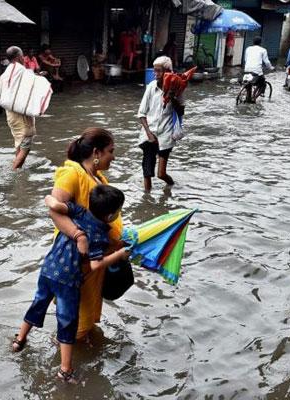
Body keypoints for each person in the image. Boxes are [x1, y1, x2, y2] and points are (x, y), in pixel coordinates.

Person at [12, 185, 129, 384]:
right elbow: (95, 264)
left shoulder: (77, 210)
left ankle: (19, 341)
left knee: (38, 304)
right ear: (111, 216)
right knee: (67, 322)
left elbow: (54, 204)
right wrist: (120, 254)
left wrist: (52, 201)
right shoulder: (100, 235)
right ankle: (65, 370)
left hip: (48, 269)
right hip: (68, 280)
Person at [41, 128, 123, 344]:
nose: (113, 156)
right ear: (96, 152)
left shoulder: (98, 178)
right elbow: (54, 210)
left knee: (83, 315)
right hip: (77, 262)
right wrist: (79, 236)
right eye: (110, 151)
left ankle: (76, 345)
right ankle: (64, 362)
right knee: (75, 318)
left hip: (94, 259)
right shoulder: (72, 174)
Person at [138, 56, 185, 191]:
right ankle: (147, 199)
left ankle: (170, 186)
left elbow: (181, 111)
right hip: (149, 132)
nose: (155, 74)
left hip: (166, 134)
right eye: (155, 71)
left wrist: (173, 98)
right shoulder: (151, 87)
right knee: (147, 172)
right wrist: (149, 133)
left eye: (159, 71)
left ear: (168, 72)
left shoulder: (177, 88)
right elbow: (141, 113)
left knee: (161, 174)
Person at [0, 46, 37, 169]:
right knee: (26, 145)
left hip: (10, 115)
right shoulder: (22, 71)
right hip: (21, 115)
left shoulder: (4, 74)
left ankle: (18, 170)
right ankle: (13, 173)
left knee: (19, 142)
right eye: (22, 56)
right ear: (19, 57)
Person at [243, 36, 274, 102]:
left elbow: (245, 59)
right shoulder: (263, 50)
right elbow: (266, 62)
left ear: (253, 42)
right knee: (263, 83)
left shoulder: (248, 49)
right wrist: (271, 68)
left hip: (247, 69)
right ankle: (254, 98)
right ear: (260, 43)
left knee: (249, 83)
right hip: (256, 70)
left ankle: (248, 97)